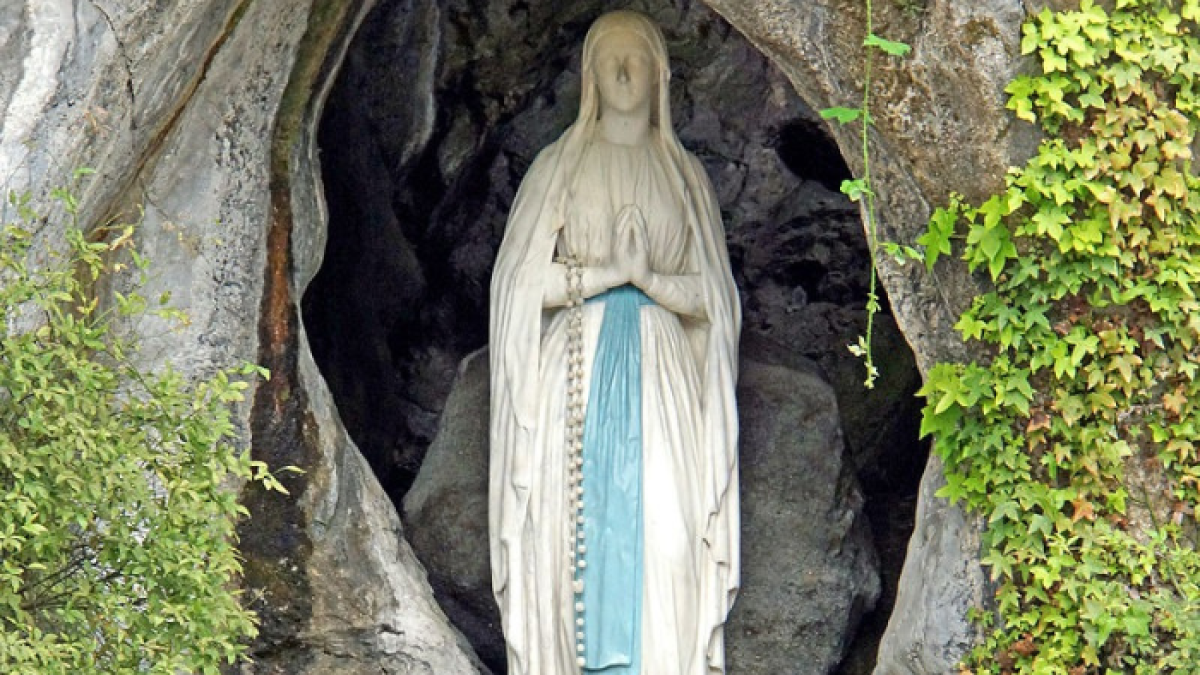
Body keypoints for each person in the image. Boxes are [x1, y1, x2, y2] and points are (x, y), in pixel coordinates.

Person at [488, 10, 740, 674]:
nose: (623, 72)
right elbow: (516, 283)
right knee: (570, 535)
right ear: (589, 76)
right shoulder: (558, 167)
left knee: (670, 537)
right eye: (610, 61)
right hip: (573, 366)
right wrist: (605, 275)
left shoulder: (685, 178)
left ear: (661, 75)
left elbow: (715, 301)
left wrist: (650, 280)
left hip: (662, 378)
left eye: (636, 60)